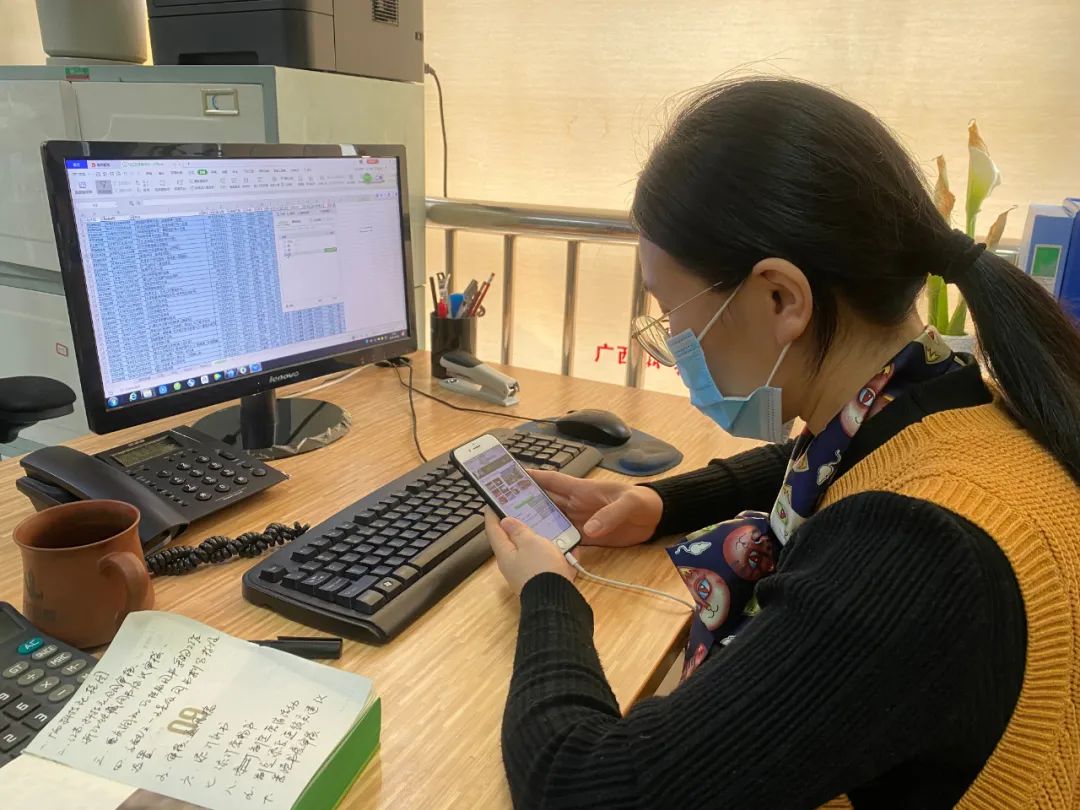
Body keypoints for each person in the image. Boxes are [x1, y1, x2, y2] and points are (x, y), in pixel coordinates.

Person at [483, 77, 1080, 809]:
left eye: (671, 308)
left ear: (781, 298)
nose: (671, 338)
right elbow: (823, 462)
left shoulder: (919, 553)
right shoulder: (944, 402)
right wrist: (658, 503)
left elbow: (585, 789)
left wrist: (548, 593)